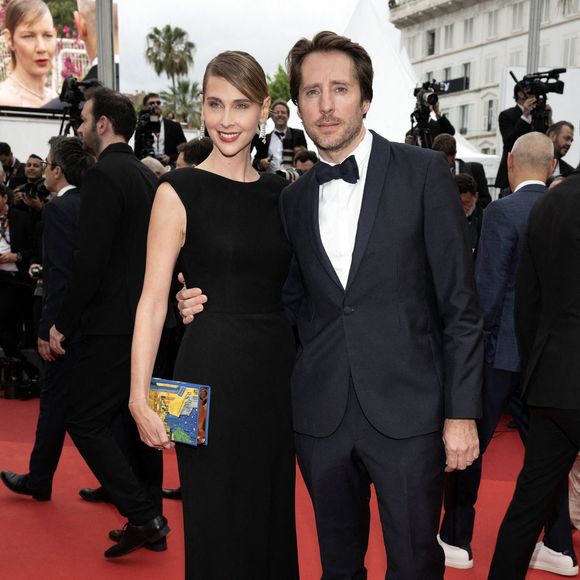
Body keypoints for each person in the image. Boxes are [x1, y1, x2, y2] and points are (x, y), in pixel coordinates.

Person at [178, 31, 483, 579]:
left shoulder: (422, 173)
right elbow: (285, 298)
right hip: (321, 419)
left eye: (339, 89)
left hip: (409, 416)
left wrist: (461, 413)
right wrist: (203, 300)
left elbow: (460, 304)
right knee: (338, 569)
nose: (325, 104)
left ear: (365, 98)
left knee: (414, 565)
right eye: (312, 92)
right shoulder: (292, 197)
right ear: (296, 106)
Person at [129, 51, 299, 579]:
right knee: (216, 521)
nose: (227, 119)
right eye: (215, 104)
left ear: (265, 110)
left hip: (276, 377)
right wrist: (138, 395)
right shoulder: (176, 191)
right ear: (200, 107)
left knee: (271, 519)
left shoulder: (282, 193)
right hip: (209, 372)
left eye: (242, 105)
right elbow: (153, 300)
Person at [439, 132, 577, 575]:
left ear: (511, 164)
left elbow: (489, 291)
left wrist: (467, 351)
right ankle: (558, 544)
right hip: (548, 365)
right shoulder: (561, 207)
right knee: (546, 459)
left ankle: (457, 538)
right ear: (553, 165)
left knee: (469, 448)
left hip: (500, 354)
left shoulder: (503, 211)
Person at [48, 87, 168, 558]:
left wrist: (63, 322)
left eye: (83, 119)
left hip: (112, 324)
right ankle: (149, 520)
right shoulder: (146, 176)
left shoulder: (103, 177)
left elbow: (90, 261)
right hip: (145, 320)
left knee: (85, 419)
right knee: (135, 419)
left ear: (103, 124)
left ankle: (143, 515)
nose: (78, 128)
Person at [488, 166, 580, 580]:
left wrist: (533, 366)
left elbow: (527, 301)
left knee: (529, 501)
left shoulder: (549, 204)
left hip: (552, 379)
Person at [1, 136, 95, 501]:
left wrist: (47, 328)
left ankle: (41, 478)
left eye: (48, 163)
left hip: (65, 326)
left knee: (57, 403)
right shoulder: (93, 205)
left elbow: (60, 275)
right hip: (95, 323)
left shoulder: (58, 208)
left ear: (57, 170)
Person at [0, 0, 57, 108]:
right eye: (28, 36)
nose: (41, 48)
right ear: (9, 39)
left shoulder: (57, 100)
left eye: (47, 35)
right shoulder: (4, 100)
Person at [494, 81, 538, 190]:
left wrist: (549, 119)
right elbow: (509, 141)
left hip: (535, 172)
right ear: (521, 94)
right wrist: (525, 116)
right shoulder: (507, 115)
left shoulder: (538, 115)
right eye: (532, 92)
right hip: (512, 174)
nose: (536, 96)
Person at [432, 133, 491, 207]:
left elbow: (486, 200)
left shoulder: (475, 170)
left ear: (454, 154)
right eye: (439, 160)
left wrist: (468, 204)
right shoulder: (429, 174)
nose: (442, 163)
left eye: (446, 160)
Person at [252, 98, 307, 172]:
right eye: (277, 112)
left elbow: (306, 158)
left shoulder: (298, 135)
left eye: (283, 112)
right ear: (271, 115)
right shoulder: (263, 139)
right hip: (271, 181)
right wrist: (261, 163)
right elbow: (255, 162)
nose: (280, 114)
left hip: (294, 180)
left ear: (288, 115)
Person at [134, 93, 187, 166]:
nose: (155, 105)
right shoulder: (142, 127)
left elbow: (184, 149)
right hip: (147, 169)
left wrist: (170, 157)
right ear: (145, 107)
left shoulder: (175, 126)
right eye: (151, 103)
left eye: (158, 103)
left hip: (170, 168)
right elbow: (137, 152)